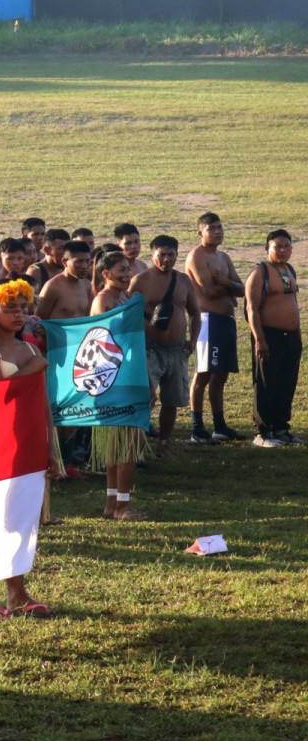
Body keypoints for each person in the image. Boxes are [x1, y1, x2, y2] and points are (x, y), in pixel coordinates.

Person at [0, 279, 57, 612]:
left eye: (23, 307)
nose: (19, 314)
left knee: (20, 518)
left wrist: (50, 446)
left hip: (26, 439)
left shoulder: (31, 348)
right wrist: (31, 368)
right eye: (11, 307)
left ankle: (18, 593)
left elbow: (41, 402)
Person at [89, 252, 151, 520]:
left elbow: (135, 342)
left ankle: (113, 503)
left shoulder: (125, 298)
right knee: (127, 441)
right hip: (114, 379)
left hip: (128, 374)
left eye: (129, 269)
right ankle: (122, 506)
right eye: (122, 270)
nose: (128, 274)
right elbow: (107, 342)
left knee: (119, 443)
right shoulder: (103, 300)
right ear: (106, 274)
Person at [130, 234, 200, 456]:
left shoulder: (184, 280)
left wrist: (193, 340)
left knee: (172, 400)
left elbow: (195, 313)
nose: (167, 259)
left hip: (177, 349)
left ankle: (164, 443)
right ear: (152, 256)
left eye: (171, 255)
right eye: (162, 255)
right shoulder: (140, 281)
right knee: (145, 399)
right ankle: (137, 444)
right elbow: (128, 315)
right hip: (150, 349)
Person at [187, 213, 244, 444]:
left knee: (221, 375)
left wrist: (227, 284)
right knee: (203, 374)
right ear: (201, 232)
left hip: (226, 321)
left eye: (220, 227)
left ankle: (219, 426)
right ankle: (197, 427)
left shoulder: (224, 257)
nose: (218, 231)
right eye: (212, 228)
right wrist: (228, 287)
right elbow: (208, 291)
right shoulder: (196, 256)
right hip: (208, 321)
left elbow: (241, 289)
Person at [247, 229, 300, 447]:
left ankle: (280, 428)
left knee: (286, 382)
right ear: (267, 247)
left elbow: (293, 304)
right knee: (266, 382)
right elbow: (251, 308)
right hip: (269, 335)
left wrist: (298, 335)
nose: (283, 250)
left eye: (287, 246)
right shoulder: (260, 272)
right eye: (278, 246)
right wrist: (260, 339)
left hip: (291, 337)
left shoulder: (289, 270)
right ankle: (262, 432)